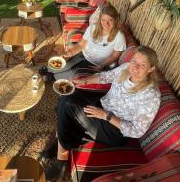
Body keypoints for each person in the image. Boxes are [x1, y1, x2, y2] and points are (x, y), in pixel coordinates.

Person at [43, 46, 161, 181]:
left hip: (114, 129)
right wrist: (83, 81)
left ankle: (60, 162)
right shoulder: (126, 68)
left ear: (151, 69)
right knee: (67, 94)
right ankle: (63, 142)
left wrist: (107, 115)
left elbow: (137, 131)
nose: (135, 66)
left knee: (69, 106)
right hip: (101, 104)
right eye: (134, 61)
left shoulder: (151, 96)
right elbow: (105, 77)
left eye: (142, 64)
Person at [48, 5, 126, 81]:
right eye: (103, 20)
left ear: (115, 20)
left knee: (72, 73)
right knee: (62, 63)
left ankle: (51, 77)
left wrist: (101, 65)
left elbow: (115, 56)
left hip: (96, 65)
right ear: (100, 19)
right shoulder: (93, 28)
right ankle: (47, 70)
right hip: (83, 55)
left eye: (110, 20)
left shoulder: (119, 37)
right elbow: (81, 44)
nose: (106, 23)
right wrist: (70, 53)